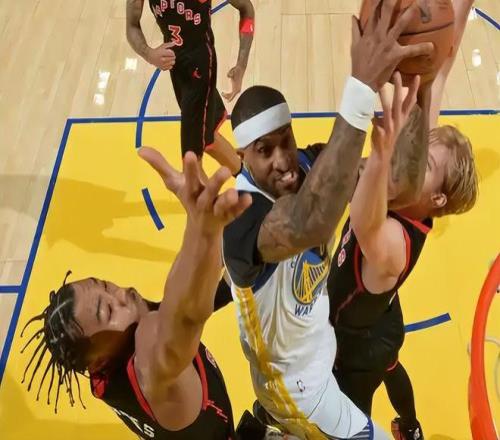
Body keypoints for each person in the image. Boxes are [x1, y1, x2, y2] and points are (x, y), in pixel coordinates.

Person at [222, 2, 434, 438]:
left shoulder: (312, 166)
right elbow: (311, 222)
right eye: (264, 151)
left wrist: (421, 87)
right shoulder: (242, 215)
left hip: (321, 346)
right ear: (242, 157)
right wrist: (360, 87)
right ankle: (277, 425)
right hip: (296, 388)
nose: (282, 161)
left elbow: (402, 184)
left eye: (285, 141)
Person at [20, 149, 253, 439]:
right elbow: (184, 317)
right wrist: (205, 233)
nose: (121, 296)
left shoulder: (112, 355)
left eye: (106, 286)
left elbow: (175, 302)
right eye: (107, 311)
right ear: (98, 361)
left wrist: (223, 269)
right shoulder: (152, 366)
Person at [327, 3, 479, 437]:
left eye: (425, 161)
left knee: (346, 423)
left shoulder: (394, 244)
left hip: (356, 348)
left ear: (437, 198)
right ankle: (410, 426)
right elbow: (441, 69)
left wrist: (379, 146)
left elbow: (361, 218)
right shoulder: (415, 187)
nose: (414, 155)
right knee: (394, 366)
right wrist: (456, 13)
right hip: (382, 319)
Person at [126, 0, 255, 175]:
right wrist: (148, 53)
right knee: (208, 138)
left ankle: (242, 184)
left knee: (191, 163)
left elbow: (246, 8)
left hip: (200, 68)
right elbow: (132, 25)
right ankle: (250, 177)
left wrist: (241, 65)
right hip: (177, 68)